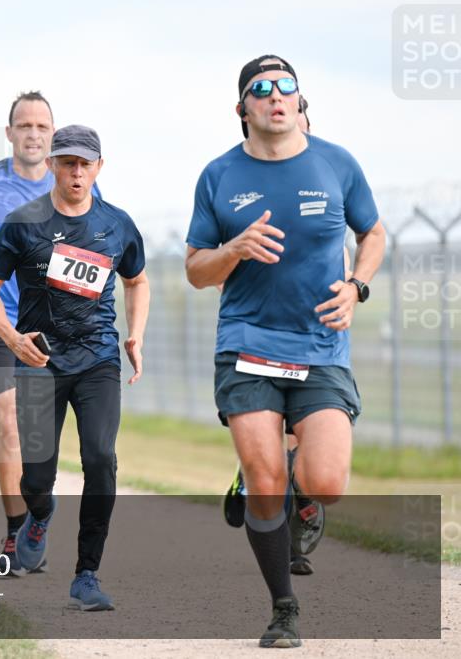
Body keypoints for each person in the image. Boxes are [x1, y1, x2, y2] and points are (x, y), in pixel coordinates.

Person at [185, 55, 386, 648]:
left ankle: (293, 476)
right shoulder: (218, 175)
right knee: (265, 481)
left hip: (321, 343)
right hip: (246, 343)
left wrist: (357, 286)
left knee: (326, 483)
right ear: (242, 109)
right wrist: (234, 250)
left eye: (286, 88)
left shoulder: (336, 163)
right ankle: (283, 608)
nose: (276, 96)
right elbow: (196, 269)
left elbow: (371, 232)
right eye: (261, 89)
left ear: (300, 102)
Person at [0, 125, 149, 611]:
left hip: (98, 359)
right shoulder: (23, 222)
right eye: (67, 162)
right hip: (39, 362)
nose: (76, 172)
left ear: (98, 168)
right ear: (51, 164)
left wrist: (135, 333)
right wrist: (12, 340)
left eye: (85, 163)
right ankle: (39, 514)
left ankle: (86, 575)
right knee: (36, 478)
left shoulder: (117, 224)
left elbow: (137, 281)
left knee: (99, 458)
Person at [0, 91, 100, 575]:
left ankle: (37, 510)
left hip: (52, 325)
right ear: (10, 133)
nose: (33, 134)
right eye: (24, 125)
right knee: (11, 422)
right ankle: (17, 531)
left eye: (42, 127)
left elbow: (100, 238)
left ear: (52, 136)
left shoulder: (74, 184)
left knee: (39, 436)